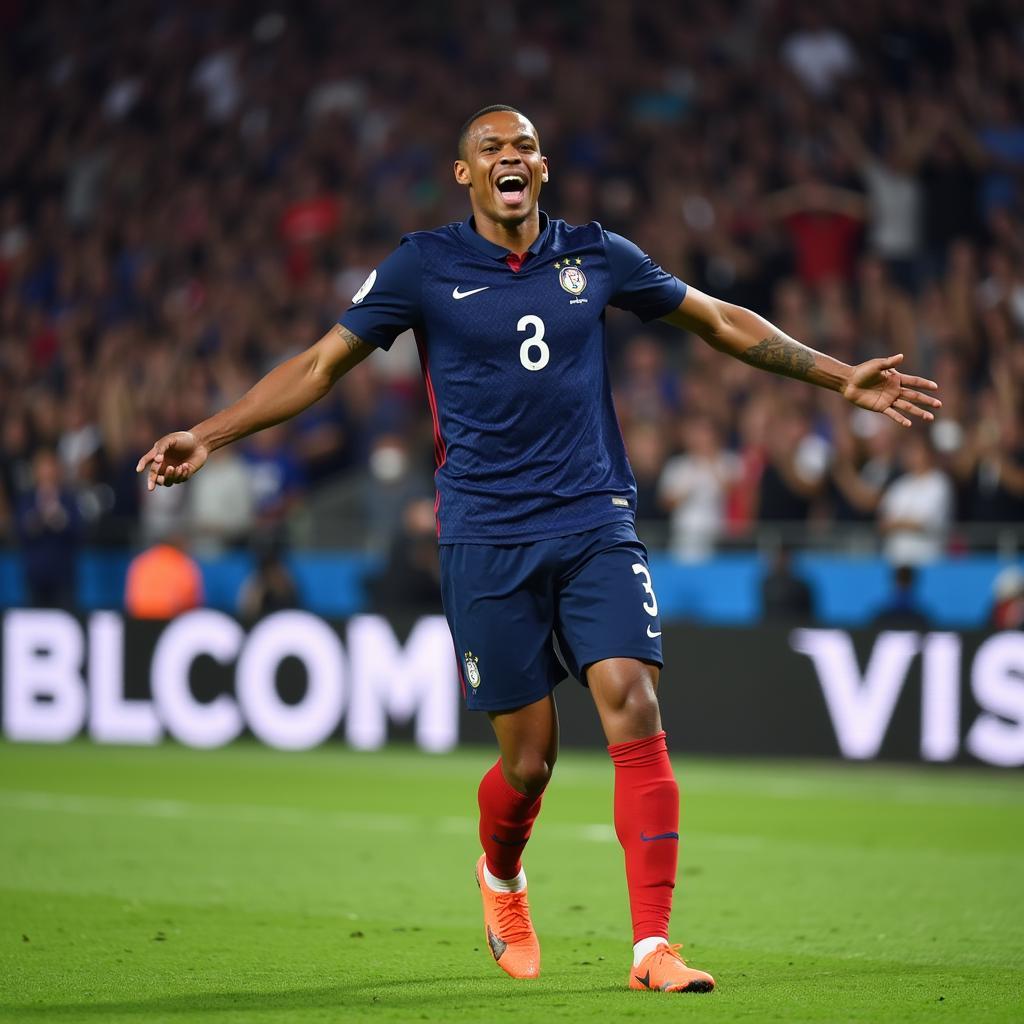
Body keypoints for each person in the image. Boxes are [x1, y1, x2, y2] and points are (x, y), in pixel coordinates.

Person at [136, 106, 941, 994]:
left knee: (632, 701)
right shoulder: (423, 265)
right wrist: (210, 434)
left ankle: (652, 948)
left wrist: (838, 376)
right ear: (465, 175)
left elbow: (717, 321)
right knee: (529, 762)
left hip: (595, 521)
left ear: (543, 169)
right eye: (492, 149)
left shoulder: (595, 254)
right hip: (484, 536)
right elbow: (321, 365)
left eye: (523, 147)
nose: (509, 158)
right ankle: (501, 876)